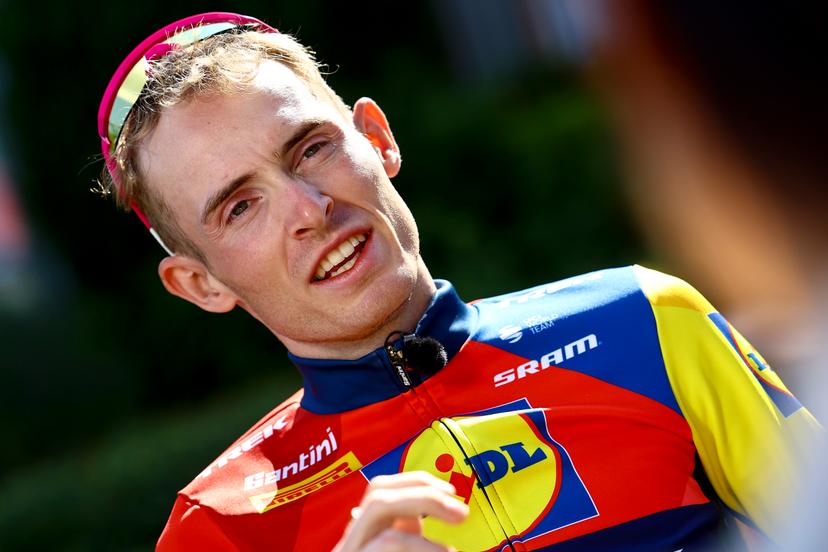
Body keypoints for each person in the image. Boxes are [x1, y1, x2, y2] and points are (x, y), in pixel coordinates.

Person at [96, 12, 820, 552]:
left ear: (376, 140)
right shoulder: (216, 526)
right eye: (241, 206)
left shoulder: (646, 319)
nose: (309, 211)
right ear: (199, 283)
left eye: (311, 148)